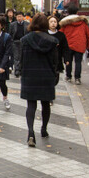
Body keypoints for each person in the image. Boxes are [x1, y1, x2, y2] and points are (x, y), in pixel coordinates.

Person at [16, 13, 59, 147]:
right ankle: (44, 129)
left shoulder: (25, 40)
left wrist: (20, 71)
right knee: (45, 104)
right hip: (46, 75)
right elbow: (55, 62)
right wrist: (55, 75)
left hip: (30, 75)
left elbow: (21, 59)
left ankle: (30, 133)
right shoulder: (52, 41)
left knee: (31, 105)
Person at [59, 3, 89, 85]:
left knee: (68, 61)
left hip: (68, 44)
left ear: (68, 12)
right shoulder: (83, 22)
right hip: (80, 44)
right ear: (77, 12)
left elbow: (60, 34)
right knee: (78, 62)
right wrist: (87, 45)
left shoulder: (65, 23)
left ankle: (68, 76)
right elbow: (87, 34)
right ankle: (77, 78)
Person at [48, 15, 70, 81]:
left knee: (56, 79)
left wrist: (66, 59)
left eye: (55, 22)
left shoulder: (61, 35)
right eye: (51, 22)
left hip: (57, 59)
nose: (53, 23)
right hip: (47, 60)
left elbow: (65, 48)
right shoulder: (45, 34)